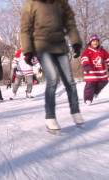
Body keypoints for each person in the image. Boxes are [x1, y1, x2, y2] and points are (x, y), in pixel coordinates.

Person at [21, 0, 84, 132]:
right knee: (53, 79)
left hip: (60, 45)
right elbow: (25, 29)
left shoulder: (61, 2)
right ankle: (50, 117)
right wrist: (27, 51)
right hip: (42, 46)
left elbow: (70, 23)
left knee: (70, 81)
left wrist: (75, 41)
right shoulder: (31, 3)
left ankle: (75, 111)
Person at [80, 35, 109, 105]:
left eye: (96, 41)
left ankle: (95, 92)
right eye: (93, 41)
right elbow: (84, 58)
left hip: (101, 72)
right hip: (91, 71)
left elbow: (108, 58)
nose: (95, 43)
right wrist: (86, 65)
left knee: (104, 81)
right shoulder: (87, 51)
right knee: (90, 85)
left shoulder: (102, 51)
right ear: (90, 42)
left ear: (98, 42)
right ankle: (88, 99)